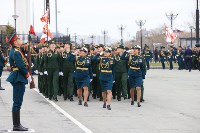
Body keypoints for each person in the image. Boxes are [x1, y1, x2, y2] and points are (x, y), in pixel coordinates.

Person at [6, 32, 32, 131]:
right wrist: (28, 75)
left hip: (18, 76)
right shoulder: (16, 52)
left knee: (18, 101)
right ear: (15, 42)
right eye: (19, 39)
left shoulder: (16, 50)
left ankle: (17, 124)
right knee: (17, 102)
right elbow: (21, 66)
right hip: (18, 77)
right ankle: (16, 125)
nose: (20, 40)